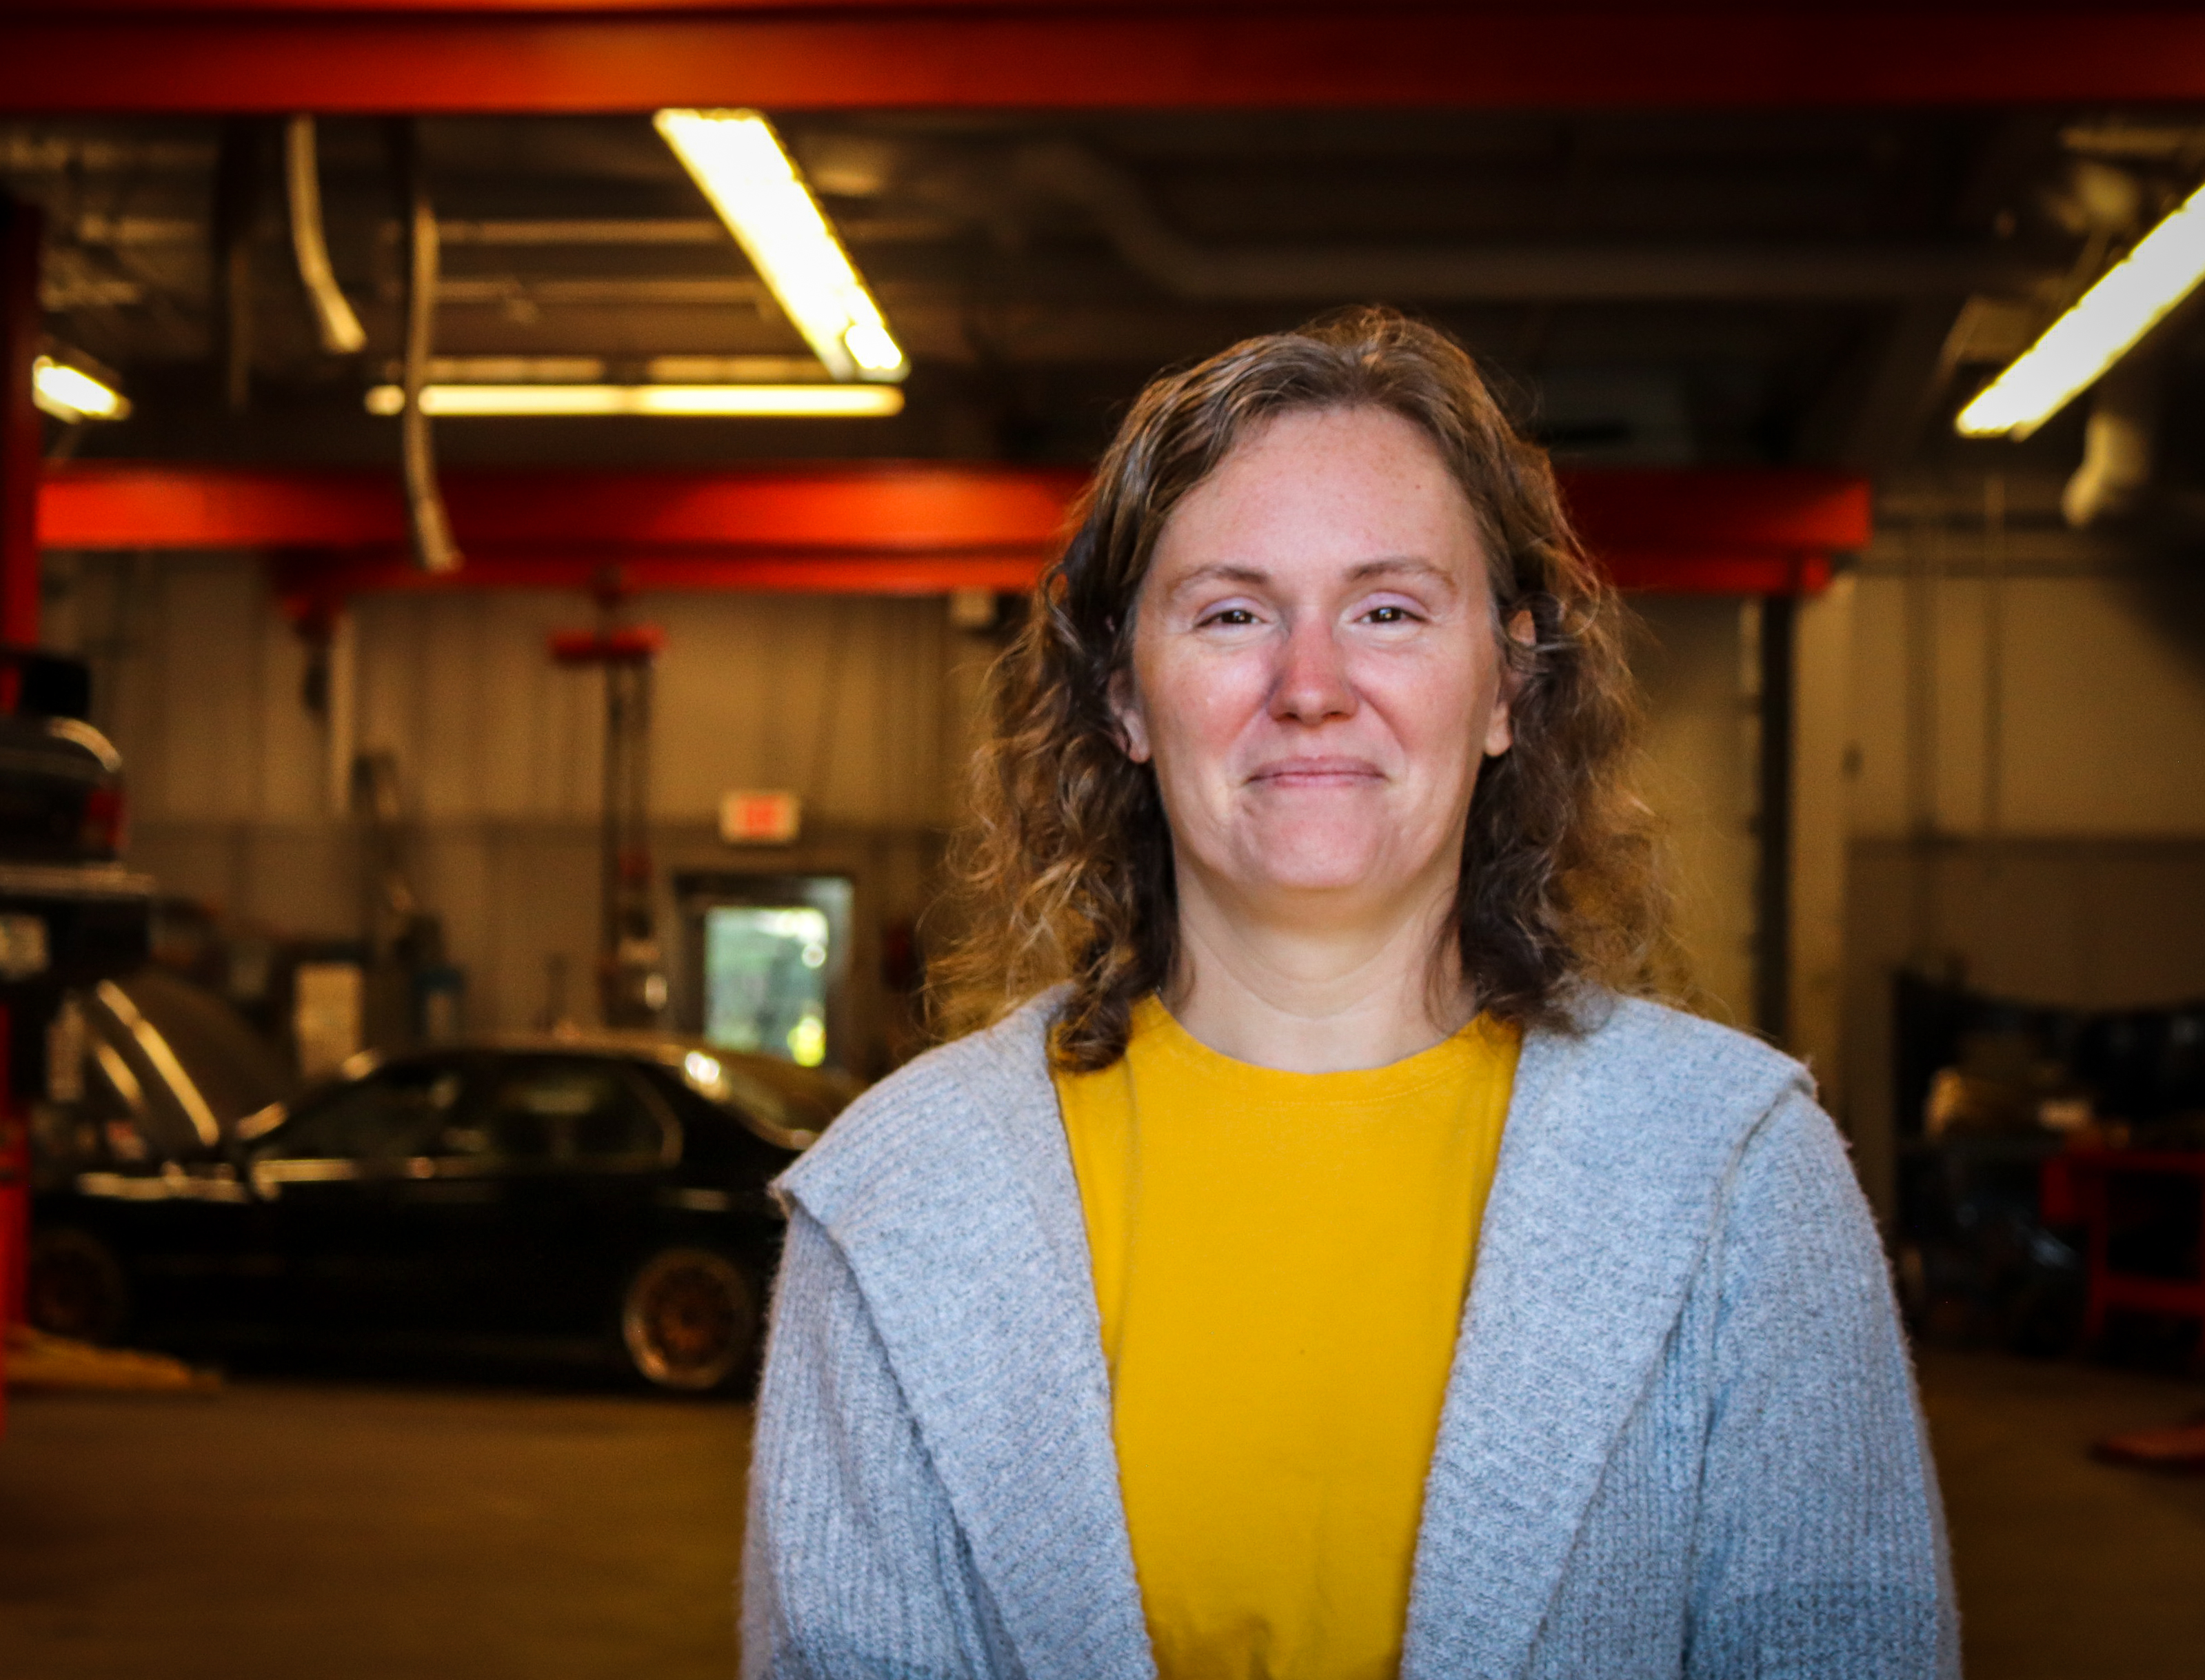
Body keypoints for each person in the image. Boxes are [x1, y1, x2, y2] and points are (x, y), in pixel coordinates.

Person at [743, 310, 1956, 1679]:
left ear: (1505, 683)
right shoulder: (900, 1205)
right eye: (1232, 614)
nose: (1309, 687)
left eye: (1388, 610)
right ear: (1126, 702)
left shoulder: (1738, 1180)